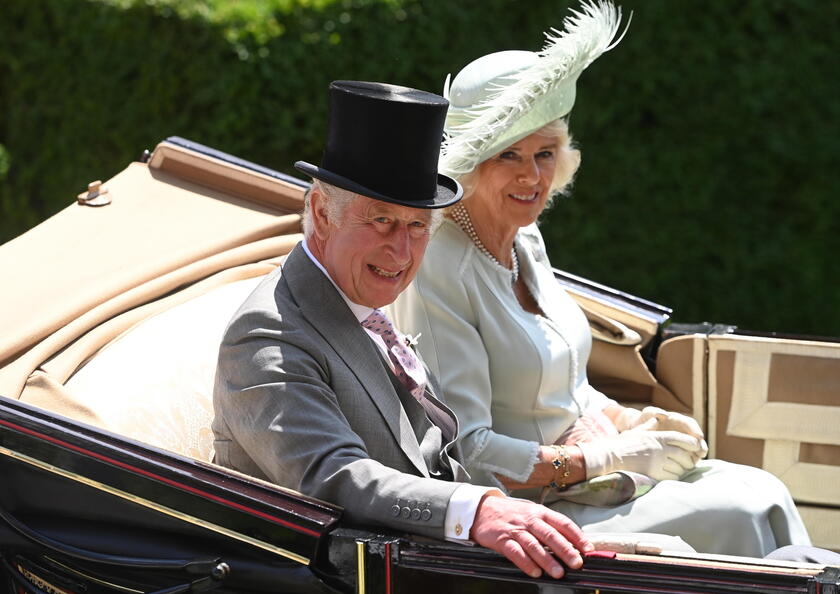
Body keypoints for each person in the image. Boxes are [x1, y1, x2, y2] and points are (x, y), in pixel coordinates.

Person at [391, 0, 811, 557]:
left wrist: (626, 419)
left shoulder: (525, 237)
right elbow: (465, 451)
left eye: (545, 153)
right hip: (527, 517)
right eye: (508, 155)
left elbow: (561, 381)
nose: (531, 175)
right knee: (740, 509)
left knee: (761, 487)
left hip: (593, 481)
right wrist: (606, 457)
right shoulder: (437, 267)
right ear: (470, 163)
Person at [212, 80, 600, 580]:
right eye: (380, 221)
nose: (401, 253)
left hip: (431, 554)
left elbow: (438, 450)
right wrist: (477, 509)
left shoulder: (361, 293)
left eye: (418, 226)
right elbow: (334, 475)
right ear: (321, 214)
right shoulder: (268, 333)